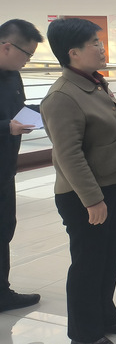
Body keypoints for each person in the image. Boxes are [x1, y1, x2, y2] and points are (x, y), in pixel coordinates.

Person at [40, 18, 116, 344]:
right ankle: (85, 334)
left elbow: (109, 138)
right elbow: (69, 155)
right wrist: (92, 199)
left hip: (108, 187)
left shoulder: (94, 84)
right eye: (94, 43)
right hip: (83, 196)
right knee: (88, 264)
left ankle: (104, 315)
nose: (102, 48)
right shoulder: (62, 96)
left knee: (108, 259)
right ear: (73, 53)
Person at [0, 19, 43, 313]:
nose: (28, 60)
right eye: (27, 54)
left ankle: (2, 292)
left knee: (5, 228)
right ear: (7, 47)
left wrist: (46, 111)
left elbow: (19, 110)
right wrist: (6, 127)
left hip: (5, 167)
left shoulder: (13, 75)